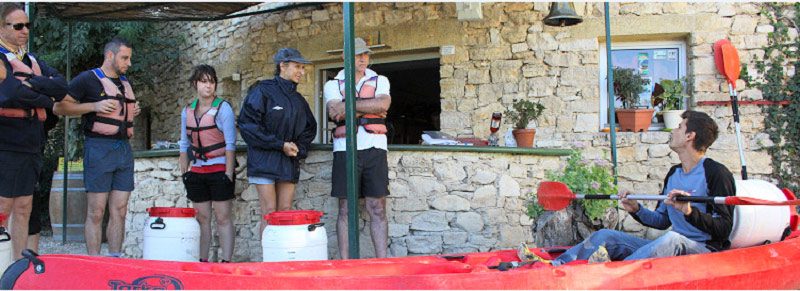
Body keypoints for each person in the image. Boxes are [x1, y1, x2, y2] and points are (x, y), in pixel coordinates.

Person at [531, 110, 734, 266]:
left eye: (679, 127)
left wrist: (689, 212)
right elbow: (662, 220)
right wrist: (637, 209)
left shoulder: (716, 173)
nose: (673, 130)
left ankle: (613, 278)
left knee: (671, 239)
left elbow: (724, 229)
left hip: (702, 251)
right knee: (605, 235)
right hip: (672, 243)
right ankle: (557, 265)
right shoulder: (674, 173)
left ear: (690, 135)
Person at [53, 37, 140, 257]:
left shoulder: (125, 81)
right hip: (98, 148)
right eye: (124, 57)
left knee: (119, 210)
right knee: (96, 211)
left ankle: (115, 259)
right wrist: (94, 105)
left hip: (123, 149)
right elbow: (59, 107)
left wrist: (131, 111)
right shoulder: (86, 80)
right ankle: (94, 263)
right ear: (109, 56)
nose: (128, 63)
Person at [0, 3, 67, 259]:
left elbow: (61, 86)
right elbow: (10, 93)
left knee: (24, 206)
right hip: (6, 139)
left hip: (32, 139)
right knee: (3, 206)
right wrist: (46, 99)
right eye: (18, 26)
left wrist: (33, 83)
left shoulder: (32, 60)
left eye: (27, 25)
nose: (25, 30)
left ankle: (17, 267)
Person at [324, 37, 391, 259]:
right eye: (357, 54)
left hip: (375, 149)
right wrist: (368, 107)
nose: (362, 58)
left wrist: (347, 106)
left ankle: (382, 262)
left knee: (377, 208)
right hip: (344, 150)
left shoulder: (380, 79)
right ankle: (346, 264)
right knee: (345, 209)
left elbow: (382, 104)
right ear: (345, 56)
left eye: (365, 54)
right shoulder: (332, 84)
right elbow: (335, 113)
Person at [238, 48, 316, 236]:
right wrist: (279, 145)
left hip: (288, 161)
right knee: (270, 213)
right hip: (263, 161)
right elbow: (248, 126)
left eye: (303, 68)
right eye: (298, 66)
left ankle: (281, 259)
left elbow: (310, 128)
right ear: (283, 65)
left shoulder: (298, 100)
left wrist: (300, 148)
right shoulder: (262, 90)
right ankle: (268, 262)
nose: (302, 72)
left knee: (285, 212)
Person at [178, 65, 235, 263]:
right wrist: (184, 172)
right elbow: (184, 144)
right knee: (202, 219)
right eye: (204, 81)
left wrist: (228, 173)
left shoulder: (223, 108)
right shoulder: (187, 111)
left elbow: (230, 143)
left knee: (222, 218)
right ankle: (203, 261)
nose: (208, 86)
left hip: (219, 169)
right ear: (195, 84)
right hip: (198, 171)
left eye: (211, 81)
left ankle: (226, 261)